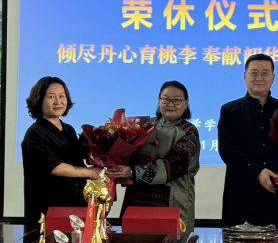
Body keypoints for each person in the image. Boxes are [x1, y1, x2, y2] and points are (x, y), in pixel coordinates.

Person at [218, 53, 278, 229]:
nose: (259, 78)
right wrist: (258, 172)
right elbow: (226, 149)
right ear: (245, 76)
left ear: (273, 78)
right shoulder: (230, 110)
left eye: (265, 73)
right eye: (253, 73)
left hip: (276, 194)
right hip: (240, 195)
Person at [109, 80, 200, 233]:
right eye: (165, 99)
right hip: (136, 201)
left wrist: (131, 172)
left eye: (177, 100)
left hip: (170, 203)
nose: (170, 104)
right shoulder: (143, 126)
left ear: (186, 103)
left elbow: (170, 167)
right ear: (159, 101)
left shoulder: (189, 132)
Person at [22, 76, 99, 224]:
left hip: (76, 205)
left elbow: (79, 164)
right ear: (39, 100)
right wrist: (91, 172)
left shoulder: (69, 130)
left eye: (62, 96)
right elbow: (56, 168)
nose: (58, 102)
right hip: (48, 209)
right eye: (51, 97)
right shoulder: (34, 133)